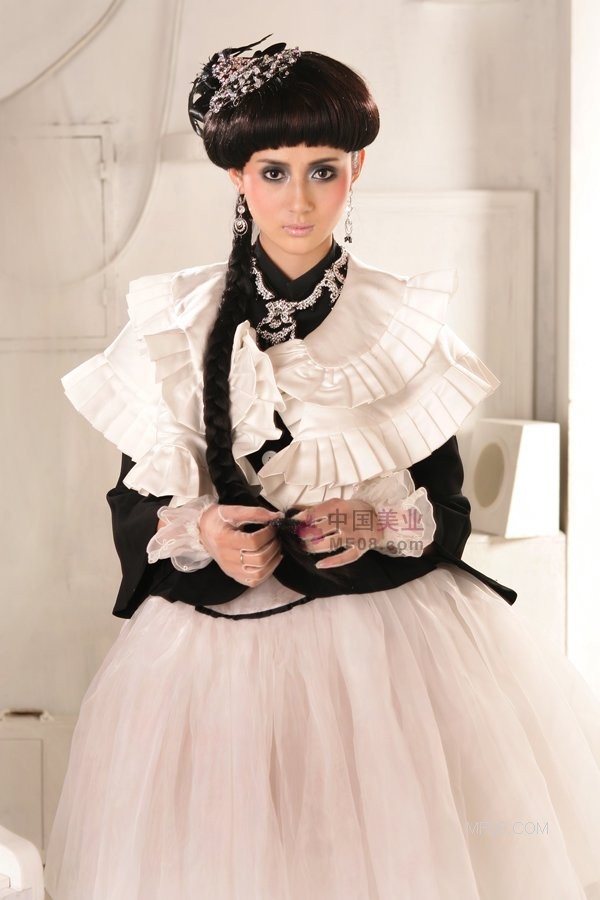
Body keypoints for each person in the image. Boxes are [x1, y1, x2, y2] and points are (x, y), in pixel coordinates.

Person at [44, 36, 600, 900]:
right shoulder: (175, 322)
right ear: (237, 176)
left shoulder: (399, 322)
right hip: (207, 667)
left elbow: (448, 513)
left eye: (323, 170)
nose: (299, 199)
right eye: (274, 171)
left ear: (357, 168)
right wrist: (206, 529)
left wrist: (374, 522)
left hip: (391, 657)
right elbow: (133, 502)